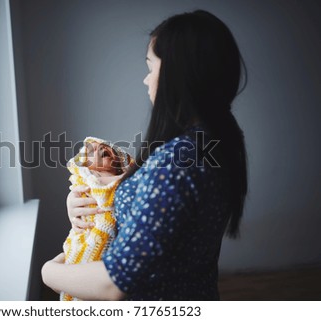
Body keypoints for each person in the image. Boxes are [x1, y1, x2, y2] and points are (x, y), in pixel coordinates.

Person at [42, 9, 248, 300]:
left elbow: (114, 283)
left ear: (178, 73)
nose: (146, 80)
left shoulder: (175, 162)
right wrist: (88, 202)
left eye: (151, 67)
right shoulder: (213, 140)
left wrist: (49, 272)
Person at [61, 137, 132, 301]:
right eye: (91, 152)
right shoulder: (93, 182)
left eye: (106, 148)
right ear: (87, 168)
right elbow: (100, 185)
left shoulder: (123, 178)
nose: (99, 149)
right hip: (91, 234)